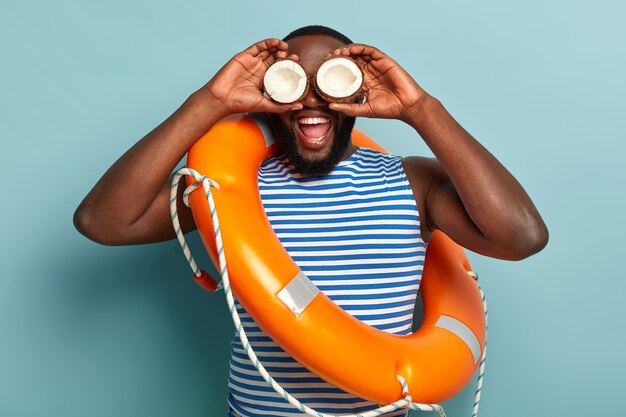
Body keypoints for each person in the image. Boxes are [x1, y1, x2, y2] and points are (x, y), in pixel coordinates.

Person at [74, 25, 548, 417]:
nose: (310, 102)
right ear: (270, 92)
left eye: (331, 82)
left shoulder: (411, 180)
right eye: (293, 83)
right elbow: (104, 221)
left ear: (355, 92)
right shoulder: (229, 189)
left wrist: (420, 109)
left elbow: (521, 237)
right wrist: (211, 102)